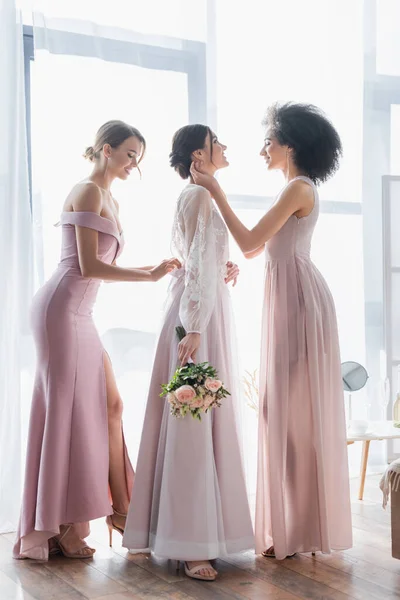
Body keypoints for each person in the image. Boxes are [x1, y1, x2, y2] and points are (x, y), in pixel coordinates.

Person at [191, 103, 353, 560]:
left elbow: (248, 242)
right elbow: (252, 249)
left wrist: (216, 189)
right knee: (280, 411)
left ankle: (298, 529)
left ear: (291, 145)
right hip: (291, 297)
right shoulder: (293, 189)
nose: (263, 148)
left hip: (299, 301)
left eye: (269, 141)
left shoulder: (299, 188)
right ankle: (295, 527)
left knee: (287, 413)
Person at [13, 120, 180, 560]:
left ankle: (117, 511)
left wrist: (152, 271)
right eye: (129, 154)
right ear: (106, 150)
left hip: (81, 312)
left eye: (137, 158)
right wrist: (148, 275)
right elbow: (87, 265)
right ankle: (63, 526)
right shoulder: (87, 190)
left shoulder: (109, 198)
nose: (133, 164)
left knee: (112, 406)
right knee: (66, 416)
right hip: (59, 308)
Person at [122, 124, 254, 581]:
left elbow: (203, 257)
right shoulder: (198, 196)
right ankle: (189, 544)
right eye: (219, 142)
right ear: (201, 153)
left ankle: (186, 533)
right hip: (194, 320)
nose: (226, 147)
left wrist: (224, 267)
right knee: (191, 424)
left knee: (198, 421)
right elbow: (196, 262)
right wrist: (193, 327)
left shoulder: (198, 195)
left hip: (200, 312)